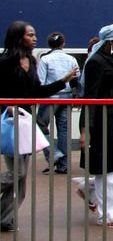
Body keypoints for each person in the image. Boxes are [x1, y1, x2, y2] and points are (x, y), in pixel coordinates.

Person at [0, 21, 77, 233]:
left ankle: (4, 219)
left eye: (34, 34)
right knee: (17, 174)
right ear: (18, 37)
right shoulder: (4, 62)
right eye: (30, 35)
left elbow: (36, 92)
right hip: (9, 120)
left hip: (25, 120)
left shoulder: (32, 61)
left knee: (21, 179)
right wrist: (6, 106)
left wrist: (63, 81)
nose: (35, 38)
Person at [79, 24, 113, 227]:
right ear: (110, 42)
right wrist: (85, 130)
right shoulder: (96, 63)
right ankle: (107, 214)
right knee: (108, 170)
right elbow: (90, 97)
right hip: (102, 123)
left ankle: (90, 190)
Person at [37, 32, 80, 174]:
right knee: (64, 130)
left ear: (49, 44)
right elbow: (76, 79)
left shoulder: (45, 59)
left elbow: (41, 81)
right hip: (66, 98)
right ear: (63, 44)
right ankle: (63, 165)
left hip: (51, 98)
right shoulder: (71, 59)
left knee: (39, 125)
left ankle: (53, 153)